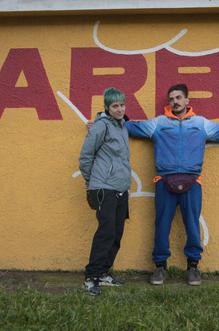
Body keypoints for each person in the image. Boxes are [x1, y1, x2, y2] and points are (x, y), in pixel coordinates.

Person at [123, 84, 219, 286]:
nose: (175, 102)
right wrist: (106, 122)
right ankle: (160, 267)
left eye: (178, 98)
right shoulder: (158, 124)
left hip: (192, 182)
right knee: (161, 226)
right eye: (171, 99)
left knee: (192, 225)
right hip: (164, 182)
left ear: (187, 101)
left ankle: (193, 267)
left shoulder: (201, 123)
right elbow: (130, 127)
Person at [79, 87, 132, 296]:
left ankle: (103, 273)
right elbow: (86, 156)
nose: (120, 109)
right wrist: (89, 180)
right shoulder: (101, 127)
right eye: (115, 106)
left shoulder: (122, 127)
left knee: (116, 233)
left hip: (119, 189)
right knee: (106, 233)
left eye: (122, 105)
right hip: (103, 188)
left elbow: (121, 160)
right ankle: (91, 277)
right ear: (107, 108)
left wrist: (125, 186)